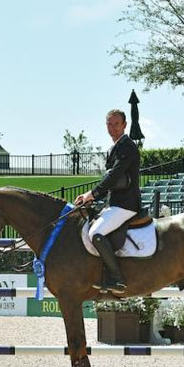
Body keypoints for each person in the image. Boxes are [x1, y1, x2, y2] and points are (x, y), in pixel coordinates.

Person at [74, 109, 141, 294]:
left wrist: (93, 194)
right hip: (115, 203)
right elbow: (111, 181)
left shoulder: (127, 146)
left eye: (116, 124)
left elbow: (115, 176)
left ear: (124, 125)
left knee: (96, 233)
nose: (112, 128)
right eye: (109, 124)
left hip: (126, 204)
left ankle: (117, 279)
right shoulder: (114, 148)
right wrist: (91, 196)